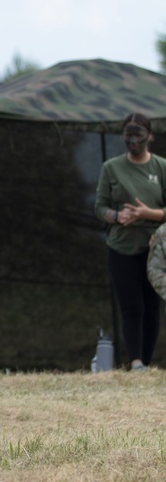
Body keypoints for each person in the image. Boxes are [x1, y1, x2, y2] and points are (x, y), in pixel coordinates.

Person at [95, 113, 166, 372]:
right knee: (132, 306)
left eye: (138, 135)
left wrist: (148, 214)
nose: (133, 140)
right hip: (121, 248)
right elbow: (99, 206)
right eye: (128, 135)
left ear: (149, 136)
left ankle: (146, 362)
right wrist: (116, 216)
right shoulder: (111, 168)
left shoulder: (161, 167)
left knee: (151, 307)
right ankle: (135, 363)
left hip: (154, 251)